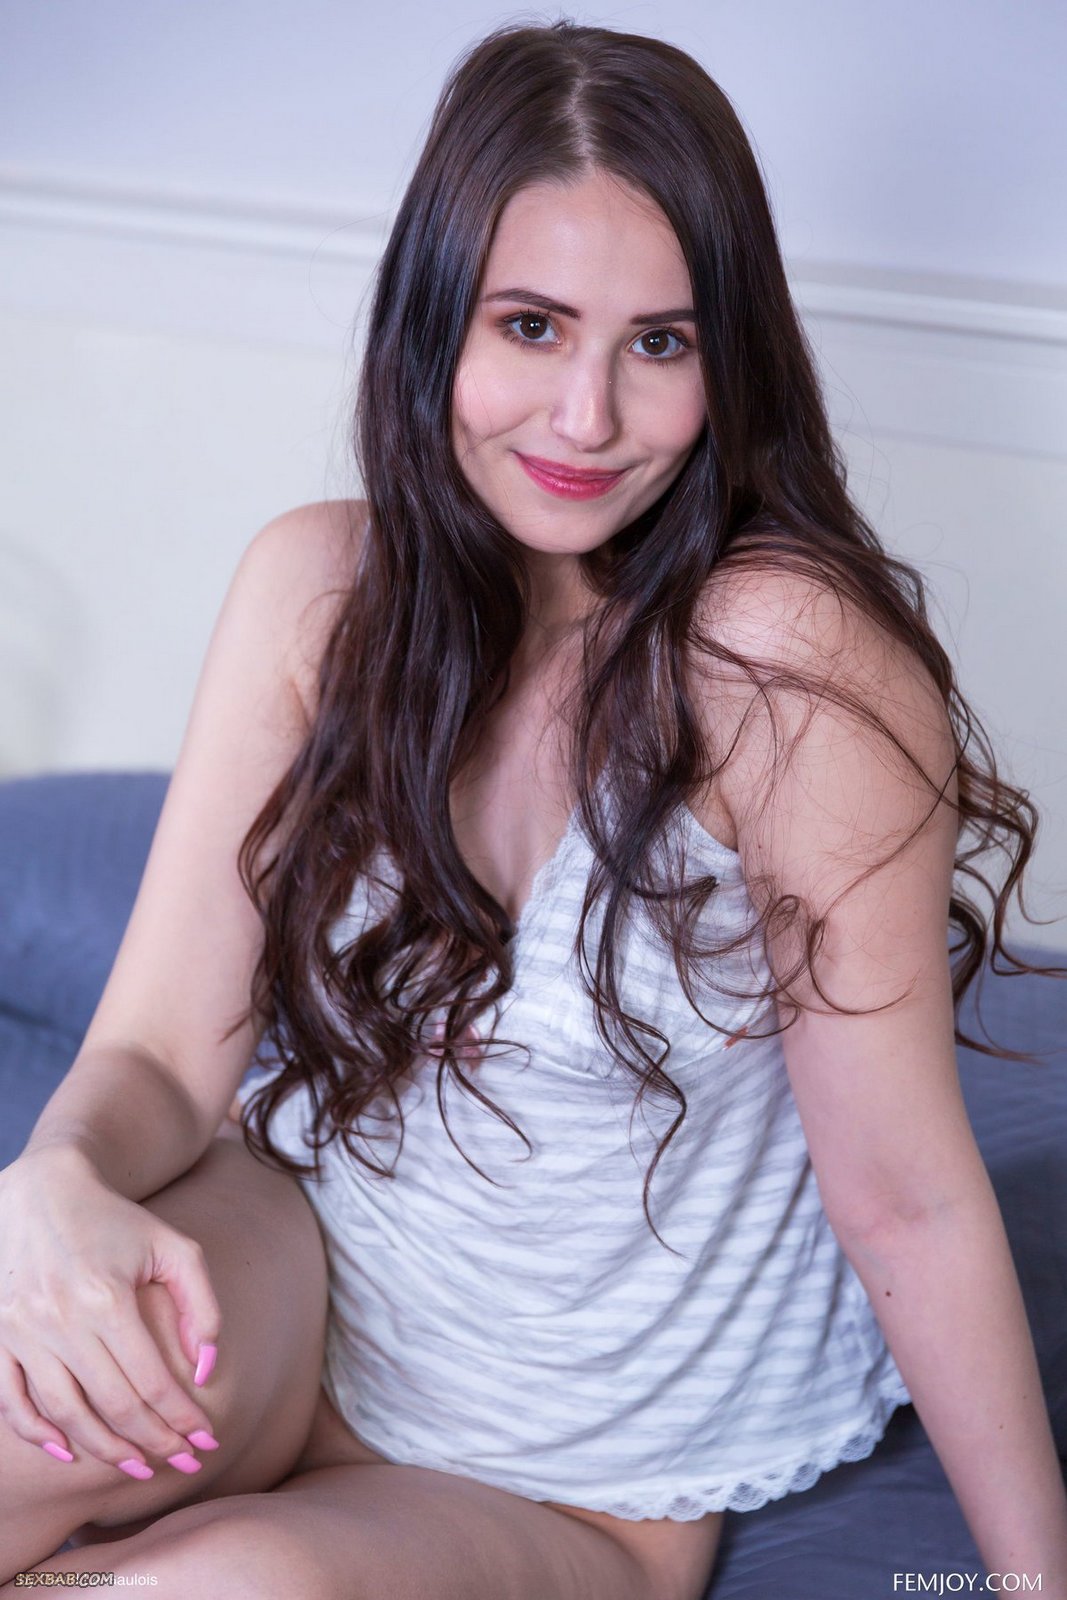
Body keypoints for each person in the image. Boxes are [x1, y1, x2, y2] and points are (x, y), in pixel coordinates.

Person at [1, 18, 1064, 1599]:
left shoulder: (780, 660)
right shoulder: (322, 590)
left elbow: (905, 1198)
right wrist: (54, 1184)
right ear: (433, 320)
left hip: (578, 1476)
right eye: (531, 325)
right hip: (292, 1274)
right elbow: (158, 1055)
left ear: (731, 358)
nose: (585, 419)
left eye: (660, 344)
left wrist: (1034, 1582)